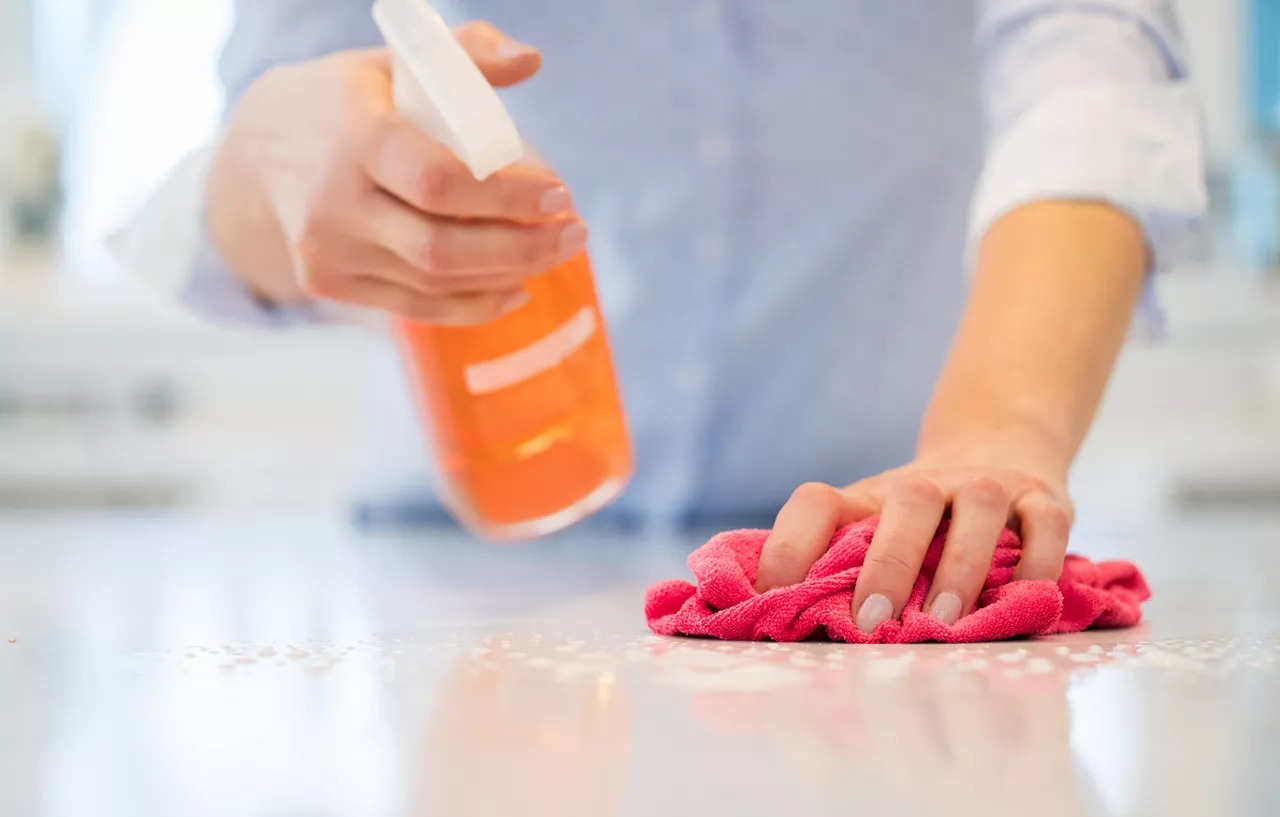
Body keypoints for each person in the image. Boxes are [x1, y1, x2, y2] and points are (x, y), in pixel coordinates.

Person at [110, 0, 1205, 634]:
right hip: (451, 583)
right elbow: (242, 178)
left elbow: (1091, 79)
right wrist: (279, 169)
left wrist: (996, 431)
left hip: (871, 569)